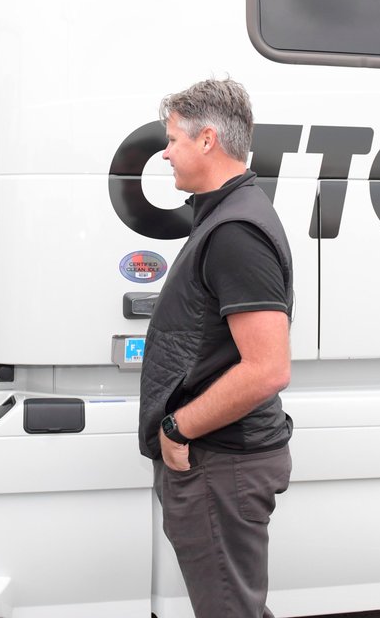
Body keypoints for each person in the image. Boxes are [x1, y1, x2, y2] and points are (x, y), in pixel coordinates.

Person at [138, 77, 294, 618]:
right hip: (220, 462)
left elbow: (268, 368)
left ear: (207, 140)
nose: (165, 153)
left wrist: (177, 427)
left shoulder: (236, 231)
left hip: (222, 461)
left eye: (172, 139)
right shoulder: (226, 215)